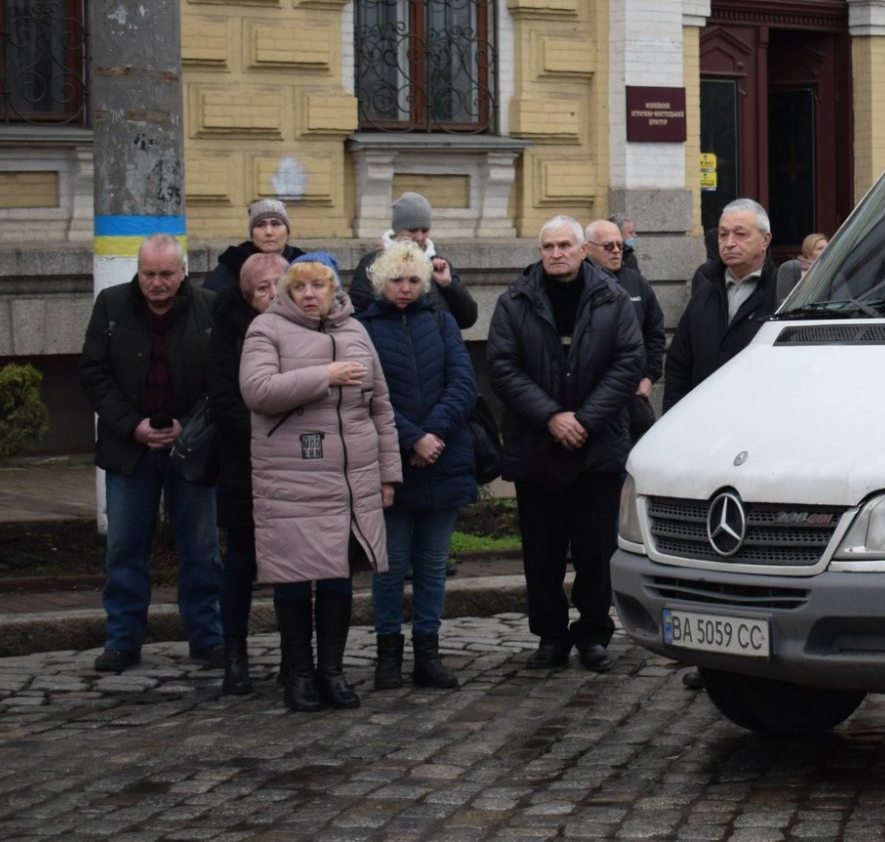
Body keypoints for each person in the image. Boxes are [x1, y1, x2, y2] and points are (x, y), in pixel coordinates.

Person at [241, 254, 401, 712]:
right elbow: (257, 390)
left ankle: (331, 673)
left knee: (338, 577)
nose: (310, 295)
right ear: (287, 292)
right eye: (300, 287)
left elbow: (381, 407)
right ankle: (299, 676)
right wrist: (323, 376)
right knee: (293, 577)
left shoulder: (355, 331)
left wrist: (389, 473)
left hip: (350, 480)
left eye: (319, 286)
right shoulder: (266, 330)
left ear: (335, 291)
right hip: (293, 476)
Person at [487, 217, 644, 672]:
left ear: (582, 250)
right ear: (540, 252)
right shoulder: (514, 301)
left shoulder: (612, 298)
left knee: (595, 550)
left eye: (565, 245)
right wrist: (551, 416)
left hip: (596, 447)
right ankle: (550, 637)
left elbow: (628, 361)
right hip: (536, 445)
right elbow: (502, 367)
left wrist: (585, 420)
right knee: (542, 553)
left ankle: (594, 634)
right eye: (548, 246)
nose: (556, 253)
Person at [78, 234, 222, 673]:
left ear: (184, 271)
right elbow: (93, 373)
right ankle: (122, 641)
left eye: (165, 274)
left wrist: (187, 426)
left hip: (191, 448)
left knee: (201, 548)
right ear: (137, 272)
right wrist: (131, 426)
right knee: (124, 547)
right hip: (129, 448)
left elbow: (223, 380)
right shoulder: (111, 304)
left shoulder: (210, 307)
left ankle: (207, 637)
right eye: (148, 274)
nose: (156, 283)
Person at [359, 243, 477, 690]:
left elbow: (464, 382)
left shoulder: (442, 321)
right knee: (389, 568)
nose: (405, 288)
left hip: (442, 458)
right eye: (396, 280)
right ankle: (387, 655)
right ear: (380, 283)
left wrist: (434, 434)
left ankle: (428, 652)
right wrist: (412, 438)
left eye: (412, 280)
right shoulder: (362, 329)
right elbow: (368, 395)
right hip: (393, 463)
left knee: (431, 566)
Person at [205, 251, 288, 697]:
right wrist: (268, 437)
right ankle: (235, 656)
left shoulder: (302, 326)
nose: (273, 295)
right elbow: (223, 400)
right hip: (245, 463)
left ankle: (294, 656)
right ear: (245, 293)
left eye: (279, 285)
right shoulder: (227, 332)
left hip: (295, 464)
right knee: (241, 563)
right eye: (263, 288)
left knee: (295, 565)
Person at [663, 200, 780, 413]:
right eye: (723, 234)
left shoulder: (784, 293)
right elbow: (678, 367)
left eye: (740, 234)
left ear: (765, 240)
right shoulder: (704, 290)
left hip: (760, 416)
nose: (729, 243)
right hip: (704, 417)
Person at [347, 192, 479, 330]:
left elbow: (468, 319)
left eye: (425, 230)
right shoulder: (372, 264)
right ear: (397, 230)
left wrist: (449, 286)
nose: (420, 237)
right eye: (412, 230)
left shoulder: (440, 265)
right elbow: (356, 317)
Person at [586, 220, 667, 440]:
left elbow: (655, 333)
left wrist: (650, 377)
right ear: (587, 248)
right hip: (592, 400)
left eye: (619, 246)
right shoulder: (581, 284)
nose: (615, 251)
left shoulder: (636, 282)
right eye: (608, 246)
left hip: (634, 398)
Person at [202, 198, 303, 294]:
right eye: (260, 225)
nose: (268, 232)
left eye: (276, 224)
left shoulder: (302, 265)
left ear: (287, 232)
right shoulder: (233, 265)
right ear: (252, 234)